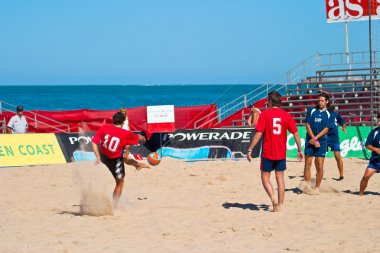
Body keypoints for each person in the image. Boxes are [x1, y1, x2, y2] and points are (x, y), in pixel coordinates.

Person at [247, 91, 303, 212]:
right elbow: (296, 134)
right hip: (281, 153)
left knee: (265, 177)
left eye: (268, 100)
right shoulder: (286, 115)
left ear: (271, 101)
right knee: (280, 178)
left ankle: (273, 200)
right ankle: (281, 205)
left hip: (268, 152)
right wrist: (299, 149)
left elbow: (259, 133)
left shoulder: (265, 115)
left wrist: (250, 149)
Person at [91, 112, 148, 207]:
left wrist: (97, 157)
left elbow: (93, 143)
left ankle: (137, 165)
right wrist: (143, 138)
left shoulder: (104, 127)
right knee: (120, 181)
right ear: (123, 122)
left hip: (103, 156)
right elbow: (138, 138)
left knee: (125, 158)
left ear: (113, 120)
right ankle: (114, 206)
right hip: (114, 160)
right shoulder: (125, 133)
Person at [303, 92, 335, 194]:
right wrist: (313, 138)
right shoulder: (311, 110)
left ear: (327, 101)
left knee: (319, 165)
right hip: (310, 140)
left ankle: (317, 188)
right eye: (319, 100)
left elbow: (326, 129)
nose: (320, 102)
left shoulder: (330, 113)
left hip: (322, 141)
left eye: (322, 101)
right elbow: (307, 125)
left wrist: (316, 139)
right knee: (307, 165)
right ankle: (307, 187)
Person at [359, 112, 380, 196]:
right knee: (365, 177)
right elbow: (367, 145)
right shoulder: (374, 132)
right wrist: (375, 149)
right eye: (378, 118)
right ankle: (360, 193)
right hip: (375, 161)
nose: (378, 120)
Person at [327, 108, 347, 180]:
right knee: (319, 158)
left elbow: (343, 122)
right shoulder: (320, 114)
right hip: (323, 137)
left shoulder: (334, 114)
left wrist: (343, 127)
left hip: (334, 139)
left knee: (338, 157)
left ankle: (341, 176)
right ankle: (319, 174)